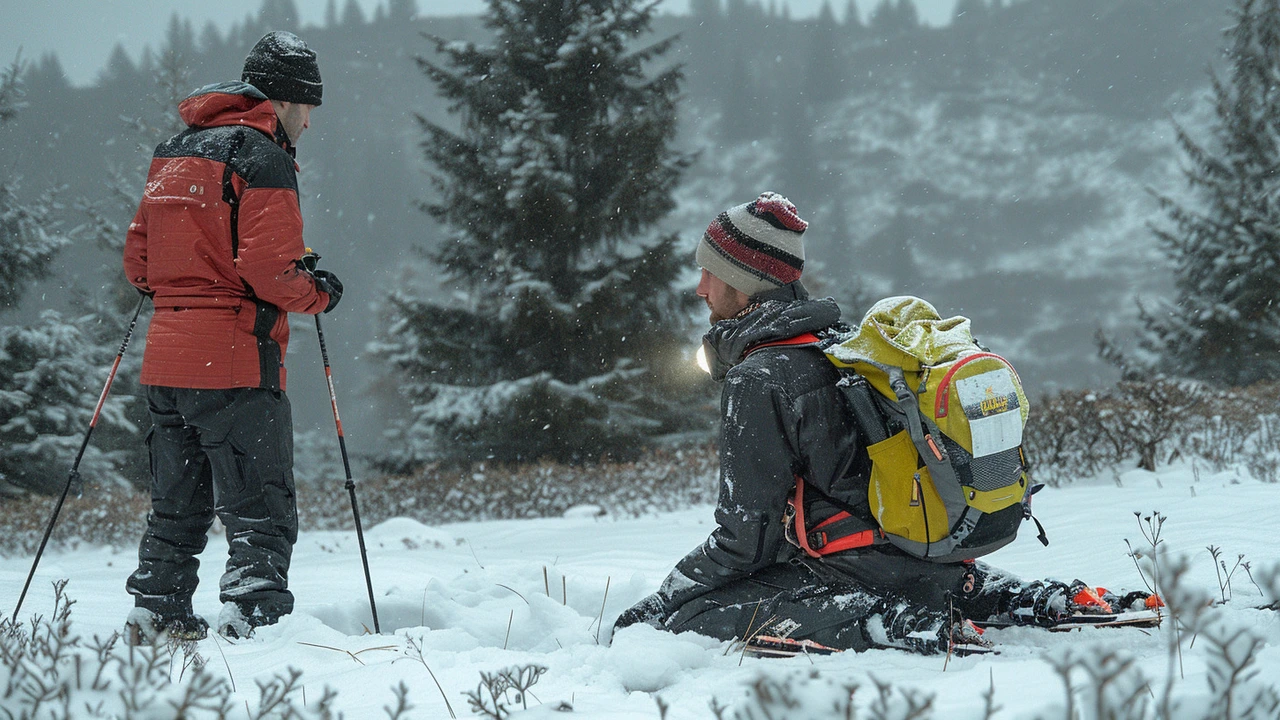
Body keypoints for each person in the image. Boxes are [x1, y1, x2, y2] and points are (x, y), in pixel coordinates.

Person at [612, 192, 1147, 655]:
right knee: (917, 581)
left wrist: (670, 593)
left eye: (710, 272)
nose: (701, 288)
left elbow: (744, 540)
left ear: (744, 282)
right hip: (922, 551)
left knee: (687, 619)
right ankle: (1040, 600)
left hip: (855, 572)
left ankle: (890, 623)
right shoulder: (847, 345)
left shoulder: (760, 379)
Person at [121, 31, 342, 644]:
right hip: (237, 364)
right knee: (260, 510)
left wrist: (192, 276)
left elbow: (139, 265)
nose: (309, 125)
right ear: (287, 102)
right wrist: (317, 291)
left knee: (176, 506)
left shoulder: (175, 151)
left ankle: (157, 614)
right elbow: (269, 271)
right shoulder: (264, 158)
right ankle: (255, 624)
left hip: (166, 365)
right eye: (308, 110)